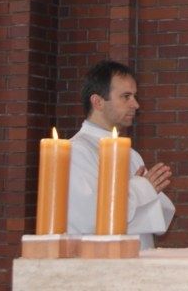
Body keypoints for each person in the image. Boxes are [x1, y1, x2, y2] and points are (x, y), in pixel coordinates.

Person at [67, 60, 175, 249]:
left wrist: (138, 196)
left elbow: (160, 218)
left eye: (134, 96)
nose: (136, 104)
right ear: (98, 102)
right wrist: (142, 189)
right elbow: (90, 216)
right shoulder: (75, 152)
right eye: (126, 96)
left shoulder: (132, 155)